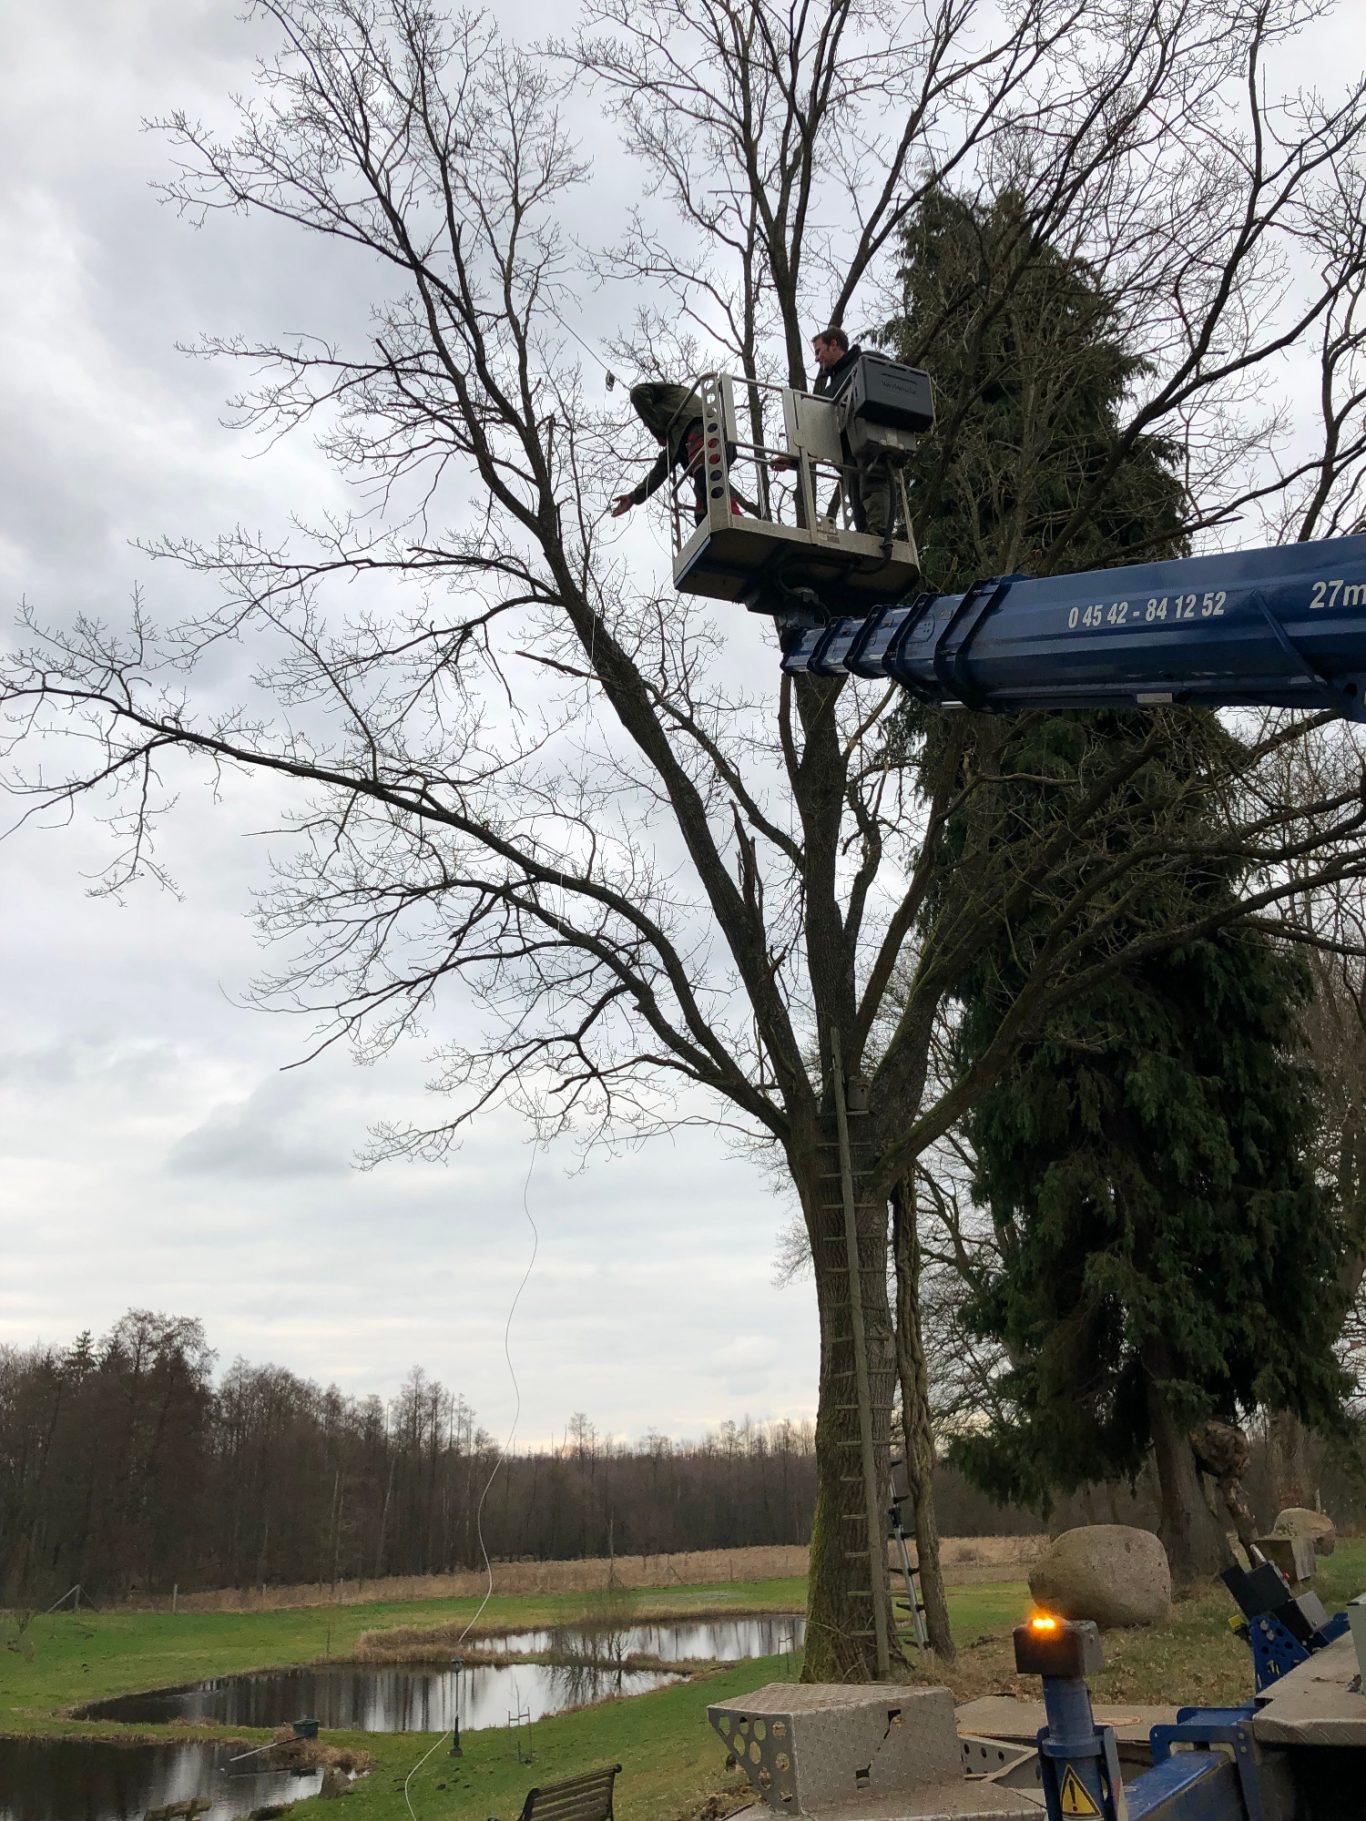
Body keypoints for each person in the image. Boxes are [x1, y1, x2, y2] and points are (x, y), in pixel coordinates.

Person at [612, 381, 716, 523]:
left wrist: (657, 431)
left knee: (708, 484)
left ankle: (726, 519)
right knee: (704, 507)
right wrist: (633, 497)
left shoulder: (678, 404)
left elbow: (637, 392)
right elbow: (660, 470)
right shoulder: (677, 438)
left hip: (701, 431)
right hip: (712, 443)